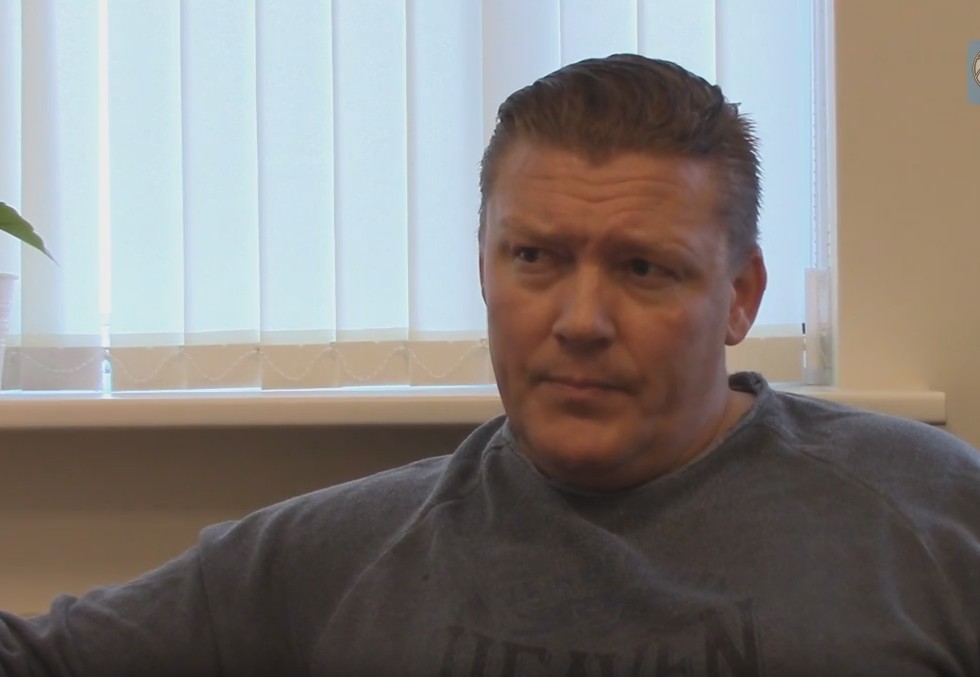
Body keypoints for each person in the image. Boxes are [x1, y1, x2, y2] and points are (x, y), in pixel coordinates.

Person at [1, 54, 979, 677]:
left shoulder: (926, 517)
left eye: (643, 269)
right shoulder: (338, 560)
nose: (580, 320)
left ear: (739, 295)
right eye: (535, 258)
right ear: (483, 268)